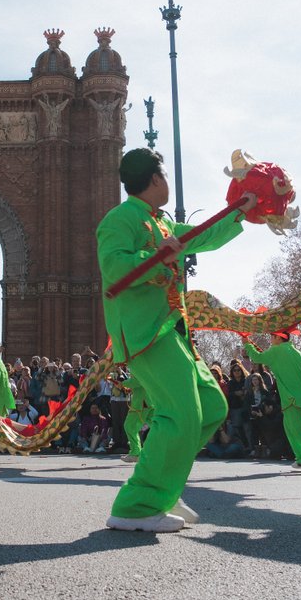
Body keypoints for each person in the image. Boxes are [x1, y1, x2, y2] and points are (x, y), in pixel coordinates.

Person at [98, 148, 259, 533]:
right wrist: (153, 254)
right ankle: (137, 505)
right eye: (165, 176)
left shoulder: (164, 224)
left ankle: (164, 489)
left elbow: (204, 235)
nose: (167, 182)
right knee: (181, 413)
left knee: (211, 406)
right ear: (156, 179)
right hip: (145, 332)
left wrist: (241, 209)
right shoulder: (119, 219)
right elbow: (114, 266)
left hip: (172, 330)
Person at [247, 334, 301, 474]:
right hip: (299, 398)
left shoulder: (277, 350)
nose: (270, 339)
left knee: (299, 431)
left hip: (291, 399)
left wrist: (246, 343)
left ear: (279, 338)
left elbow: (257, 358)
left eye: (272, 336)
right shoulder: (298, 353)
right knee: (290, 429)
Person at [120, 373, 153, 464]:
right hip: (149, 402)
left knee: (130, 427)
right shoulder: (146, 367)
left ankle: (136, 453)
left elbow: (138, 380)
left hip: (142, 403)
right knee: (156, 426)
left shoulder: (139, 366)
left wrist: (122, 383)